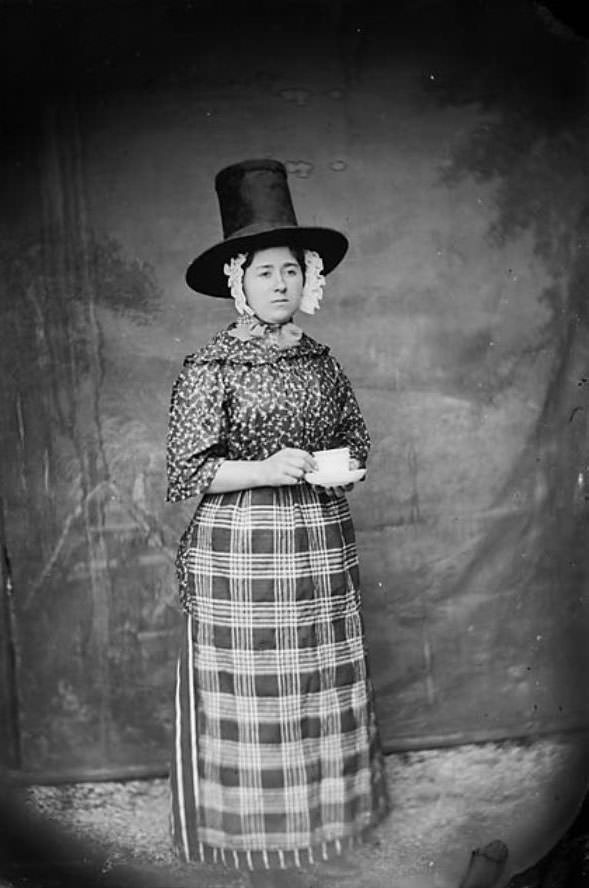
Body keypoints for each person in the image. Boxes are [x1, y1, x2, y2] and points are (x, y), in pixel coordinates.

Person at [166, 159, 390, 884]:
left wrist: (347, 467)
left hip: (321, 542)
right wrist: (267, 469)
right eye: (264, 272)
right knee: (255, 697)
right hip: (243, 550)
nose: (279, 284)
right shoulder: (210, 367)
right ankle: (250, 848)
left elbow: (355, 438)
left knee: (320, 687)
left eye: (290, 270)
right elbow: (189, 471)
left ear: (308, 278)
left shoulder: (322, 363)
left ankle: (329, 832)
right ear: (238, 280)